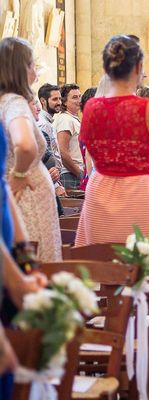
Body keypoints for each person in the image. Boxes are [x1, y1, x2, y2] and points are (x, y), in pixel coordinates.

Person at [75, 34, 149, 398]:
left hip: (102, 199)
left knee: (109, 299)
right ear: (138, 68)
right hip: (146, 204)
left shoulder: (89, 109)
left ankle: (112, 380)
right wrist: (146, 181)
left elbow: (91, 157)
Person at [0, 37, 61, 262]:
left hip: (17, 194)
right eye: (33, 64)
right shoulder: (15, 102)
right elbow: (25, 145)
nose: (35, 71)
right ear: (22, 68)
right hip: (27, 195)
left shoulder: (3, 101)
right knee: (38, 262)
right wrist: (19, 173)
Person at [36, 83, 65, 196]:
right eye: (55, 99)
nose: (59, 102)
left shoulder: (48, 123)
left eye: (60, 99)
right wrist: (56, 185)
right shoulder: (43, 125)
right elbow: (45, 159)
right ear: (43, 101)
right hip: (50, 180)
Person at [54, 83, 83, 189]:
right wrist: (79, 173)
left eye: (80, 96)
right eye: (75, 97)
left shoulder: (72, 119)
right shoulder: (65, 120)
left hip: (75, 173)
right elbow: (62, 152)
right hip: (70, 175)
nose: (79, 100)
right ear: (64, 102)